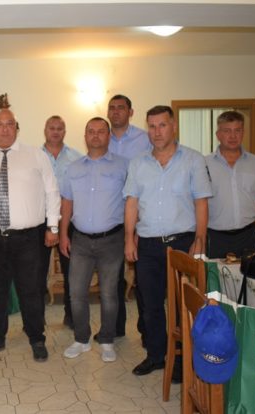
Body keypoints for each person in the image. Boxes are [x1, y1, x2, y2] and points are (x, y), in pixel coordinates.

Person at [0, 109, 60, 362]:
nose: (5, 129)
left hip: (28, 238)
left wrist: (53, 227)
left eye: (10, 124)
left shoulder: (36, 155)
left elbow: (52, 192)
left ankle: (36, 338)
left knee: (31, 290)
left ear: (16, 128)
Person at [123, 105, 211, 377]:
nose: (157, 131)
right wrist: (129, 239)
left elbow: (201, 202)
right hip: (148, 244)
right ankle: (156, 355)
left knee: (182, 304)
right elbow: (131, 203)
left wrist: (200, 239)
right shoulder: (138, 163)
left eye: (162, 125)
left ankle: (182, 358)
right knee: (150, 305)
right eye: (151, 126)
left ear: (174, 127)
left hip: (182, 242)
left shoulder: (193, 160)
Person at [59, 117, 128, 362]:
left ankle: (107, 340)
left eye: (101, 131)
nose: (95, 135)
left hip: (112, 240)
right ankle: (81, 339)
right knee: (76, 293)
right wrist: (63, 234)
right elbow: (67, 202)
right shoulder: (73, 168)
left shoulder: (123, 166)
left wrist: (132, 236)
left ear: (108, 136)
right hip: (80, 240)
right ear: (85, 136)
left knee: (109, 294)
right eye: (91, 131)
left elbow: (132, 203)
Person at [106, 94, 152, 344]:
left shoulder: (145, 139)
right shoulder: (102, 138)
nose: (116, 112)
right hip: (113, 216)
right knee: (113, 277)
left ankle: (147, 329)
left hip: (141, 215)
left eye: (121, 108)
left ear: (131, 112)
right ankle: (115, 327)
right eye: (112, 108)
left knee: (143, 278)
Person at [205, 111, 255, 258]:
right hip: (214, 238)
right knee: (213, 274)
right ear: (218, 134)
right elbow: (196, 205)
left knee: (249, 274)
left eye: (237, 130)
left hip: (248, 237)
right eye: (227, 131)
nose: (233, 136)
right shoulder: (204, 165)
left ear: (243, 133)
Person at [40, 115, 82, 329]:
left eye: (60, 128)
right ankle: (37, 319)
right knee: (36, 273)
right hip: (40, 221)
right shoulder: (35, 157)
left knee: (71, 272)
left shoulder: (77, 157)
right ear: (45, 130)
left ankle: (71, 316)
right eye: (52, 128)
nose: (55, 132)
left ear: (64, 132)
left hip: (69, 221)